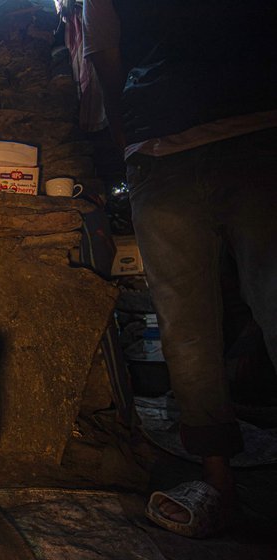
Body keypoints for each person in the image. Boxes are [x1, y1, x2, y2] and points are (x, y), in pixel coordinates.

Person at [83, 0, 277, 539]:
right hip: (250, 124)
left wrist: (127, 130)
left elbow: (105, 52)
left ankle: (218, 484)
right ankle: (218, 482)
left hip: (175, 136)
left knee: (186, 324)